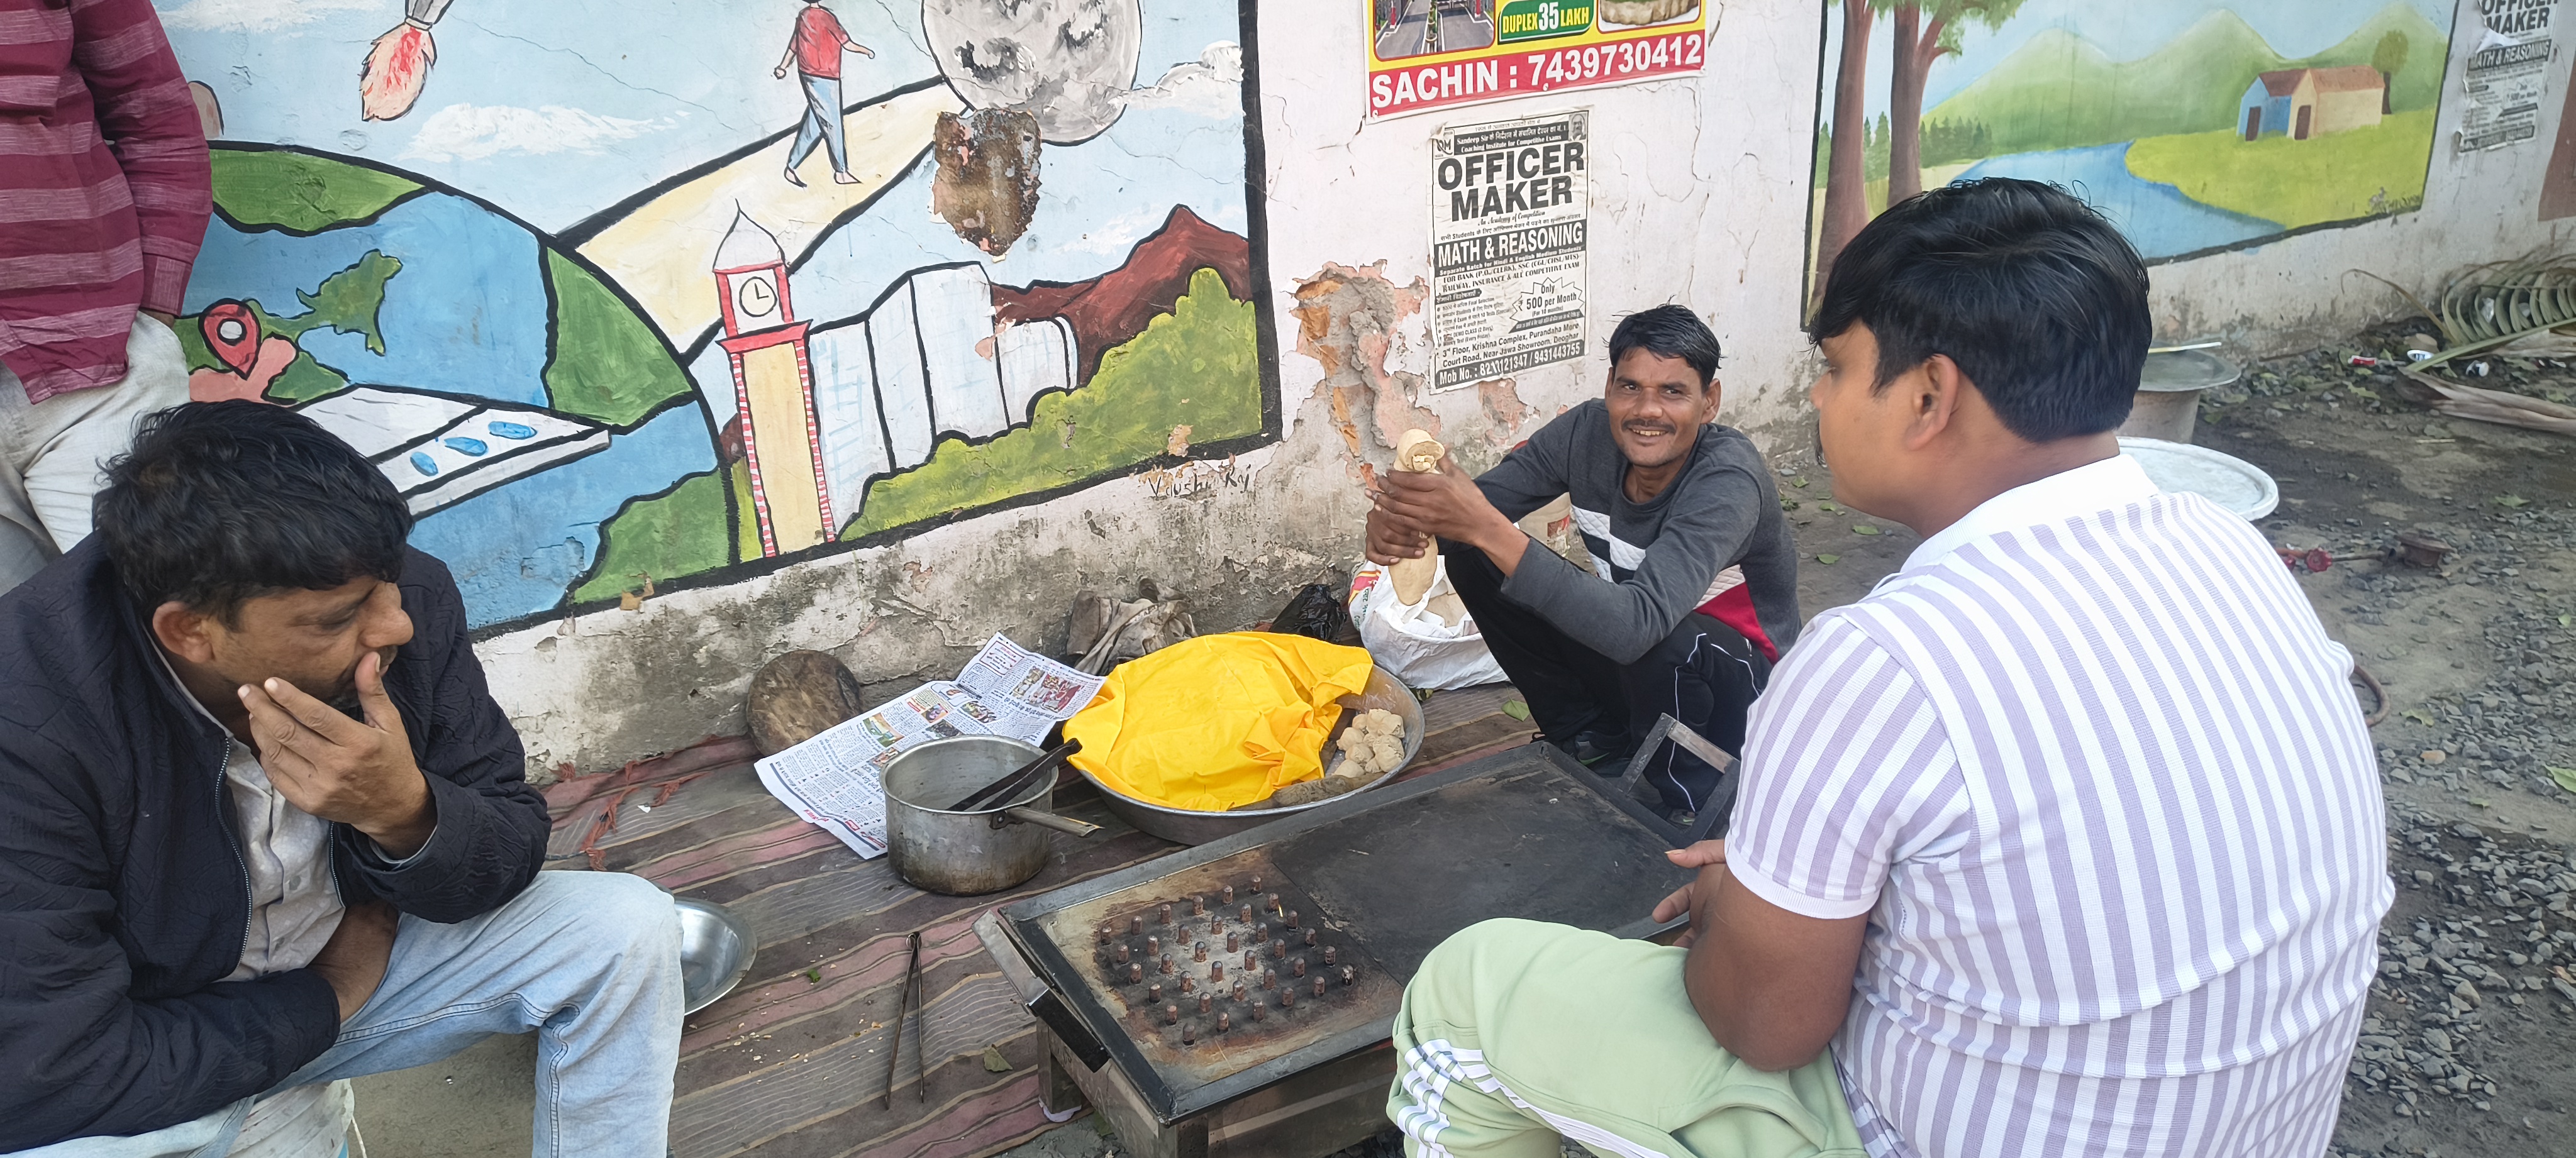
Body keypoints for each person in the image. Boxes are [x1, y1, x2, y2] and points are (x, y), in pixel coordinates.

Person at [1383, 179, 2389, 1158]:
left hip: (1910, 1125)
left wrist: (1739, 899)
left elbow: (1764, 1022)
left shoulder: (1881, 657)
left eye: (1831, 367)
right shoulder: (2237, 555)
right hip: (2267, 1126)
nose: (1818, 397)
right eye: (1630, 388)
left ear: (1927, 394)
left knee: (1465, 987)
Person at [0, 402, 685, 1157]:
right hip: (160, 1035)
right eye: (340, 618)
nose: (394, 625)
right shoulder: (29, 720)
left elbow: (507, 841)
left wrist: (406, 815)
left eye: (387, 583)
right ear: (190, 631)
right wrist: (324, 994)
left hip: (363, 966)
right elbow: (52, 1071)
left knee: (625, 929)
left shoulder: (403, 598)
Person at [1366, 306, 1802, 820]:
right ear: (1610, 387)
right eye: (1631, 388)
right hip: (1643, 673)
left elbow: (1637, 628)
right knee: (1472, 550)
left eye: (1673, 392)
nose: (1648, 411)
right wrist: (1401, 522)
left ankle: (1695, 804)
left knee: (1660, 635)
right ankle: (1591, 738)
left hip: (1744, 702)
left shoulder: (1727, 481)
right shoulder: (1585, 434)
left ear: (1709, 403)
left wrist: (1482, 525)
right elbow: (1471, 515)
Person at [0, 0, 210, 595]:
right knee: (19, 663)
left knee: (173, 624)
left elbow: (157, 118)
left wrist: (156, 308)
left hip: (99, 369)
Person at [775, 0, 875, 187]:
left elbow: (794, 46)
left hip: (807, 74)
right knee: (833, 123)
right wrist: (866, 51)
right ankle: (841, 172)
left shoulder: (803, 16)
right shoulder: (827, 17)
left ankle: (791, 167)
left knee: (814, 123)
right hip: (826, 77)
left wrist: (782, 67)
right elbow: (847, 44)